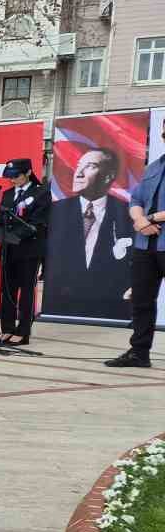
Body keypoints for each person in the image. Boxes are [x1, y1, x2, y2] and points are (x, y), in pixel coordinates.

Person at [47, 147, 135, 324]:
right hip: (61, 307)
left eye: (89, 166)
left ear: (109, 176)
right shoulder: (56, 211)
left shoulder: (127, 213)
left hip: (110, 309)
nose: (78, 173)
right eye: (78, 165)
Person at [107, 123, 165, 368]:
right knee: (141, 300)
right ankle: (139, 352)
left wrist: (149, 219)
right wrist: (140, 220)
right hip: (145, 245)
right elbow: (136, 198)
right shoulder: (154, 166)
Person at [0, 158, 50, 347]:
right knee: (7, 291)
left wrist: (15, 235)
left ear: (28, 173)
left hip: (29, 249)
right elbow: (0, 218)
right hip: (8, 250)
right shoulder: (8, 194)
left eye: (16, 176)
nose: (12, 180)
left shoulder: (41, 193)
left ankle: (23, 331)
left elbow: (38, 222)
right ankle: (7, 328)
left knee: (26, 292)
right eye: (10, 177)